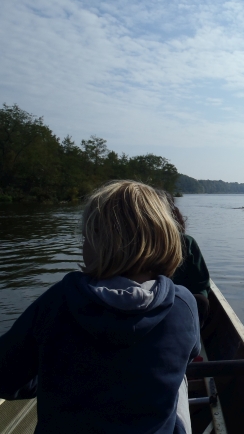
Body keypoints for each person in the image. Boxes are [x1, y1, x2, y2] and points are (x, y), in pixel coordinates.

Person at [0, 180, 200, 434]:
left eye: (86, 237)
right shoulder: (183, 304)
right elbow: (190, 353)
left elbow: (5, 378)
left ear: (96, 245)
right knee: (179, 382)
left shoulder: (59, 299)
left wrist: (52, 377)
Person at [165, 193, 211, 327]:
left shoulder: (186, 242)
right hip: (182, 309)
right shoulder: (186, 241)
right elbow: (201, 285)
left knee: (201, 301)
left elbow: (201, 286)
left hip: (182, 307)